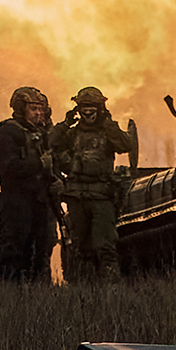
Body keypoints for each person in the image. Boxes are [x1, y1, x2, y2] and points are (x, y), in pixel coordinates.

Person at [50, 87, 135, 282]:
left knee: (105, 246)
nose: (88, 113)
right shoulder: (71, 134)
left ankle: (111, 291)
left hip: (101, 197)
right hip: (76, 197)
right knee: (81, 247)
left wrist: (109, 124)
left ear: (100, 108)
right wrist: (64, 124)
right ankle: (84, 290)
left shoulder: (107, 132)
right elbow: (49, 143)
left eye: (92, 108)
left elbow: (126, 145)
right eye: (84, 108)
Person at [0, 86, 57, 282]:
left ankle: (33, 293)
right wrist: (39, 164)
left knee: (39, 250)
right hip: (16, 199)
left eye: (40, 109)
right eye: (33, 109)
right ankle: (7, 294)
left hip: (39, 199)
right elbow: (10, 167)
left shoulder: (42, 134)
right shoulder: (8, 132)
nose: (38, 113)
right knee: (13, 249)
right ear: (20, 109)